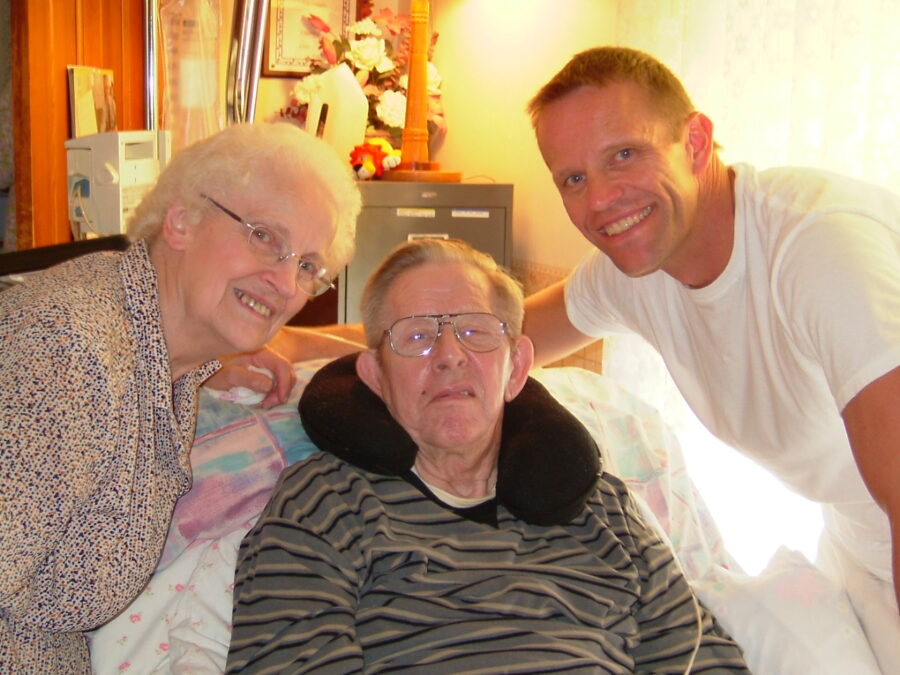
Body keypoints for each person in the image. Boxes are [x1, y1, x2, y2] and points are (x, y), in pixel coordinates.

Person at [523, 45, 900, 669]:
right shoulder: (638, 267)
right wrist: (304, 341)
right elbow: (488, 333)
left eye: (625, 153)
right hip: (858, 536)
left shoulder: (819, 250)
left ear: (696, 142)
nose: (600, 200)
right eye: (573, 178)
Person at [226, 238, 750, 673]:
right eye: (417, 336)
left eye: (476, 332)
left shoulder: (605, 510)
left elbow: (705, 661)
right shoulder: (323, 507)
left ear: (517, 368)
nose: (450, 356)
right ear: (375, 377)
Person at [0, 121, 361, 672]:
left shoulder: (167, 358)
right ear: (181, 221)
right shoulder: (69, 353)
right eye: (265, 236)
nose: (286, 284)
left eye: (308, 266)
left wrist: (215, 361)